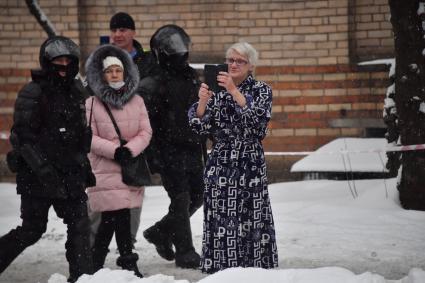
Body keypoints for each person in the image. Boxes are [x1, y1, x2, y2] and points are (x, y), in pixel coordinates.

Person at [0, 36, 94, 283]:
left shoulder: (76, 90)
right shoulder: (33, 91)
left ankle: (82, 277)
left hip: (70, 172)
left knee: (80, 226)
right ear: (47, 62)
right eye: (58, 61)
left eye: (68, 61)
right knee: (32, 230)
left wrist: (83, 165)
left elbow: (78, 131)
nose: (63, 66)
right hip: (37, 176)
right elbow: (22, 139)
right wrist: (45, 171)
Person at [188, 42, 279, 273]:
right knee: (221, 219)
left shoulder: (262, 90)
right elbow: (198, 127)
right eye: (230, 60)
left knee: (251, 217)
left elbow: (258, 125)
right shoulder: (216, 92)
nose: (234, 65)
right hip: (221, 161)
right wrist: (202, 101)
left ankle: (254, 271)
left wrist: (234, 91)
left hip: (250, 161)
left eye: (240, 61)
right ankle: (221, 271)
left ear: (251, 66)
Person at [139, 24, 206, 268]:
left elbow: (196, 109)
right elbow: (143, 122)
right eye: (174, 49)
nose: (180, 53)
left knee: (198, 196)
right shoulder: (152, 82)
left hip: (190, 147)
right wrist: (153, 156)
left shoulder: (189, 75)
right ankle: (185, 252)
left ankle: (159, 231)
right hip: (168, 151)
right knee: (180, 198)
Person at [84, 43, 152, 278]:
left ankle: (99, 264)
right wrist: (115, 151)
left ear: (126, 72)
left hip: (128, 168)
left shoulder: (137, 101)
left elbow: (146, 132)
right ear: (101, 75)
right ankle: (124, 262)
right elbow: (88, 137)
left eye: (118, 70)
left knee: (116, 217)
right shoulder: (92, 103)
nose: (114, 74)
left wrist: (129, 150)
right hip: (105, 168)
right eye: (109, 71)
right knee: (115, 216)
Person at [107, 11, 155, 245]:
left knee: (133, 191)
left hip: (136, 138)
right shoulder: (101, 59)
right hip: (106, 137)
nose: (118, 34)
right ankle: (95, 247)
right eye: (114, 30)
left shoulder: (146, 62)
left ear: (133, 32)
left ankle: (128, 247)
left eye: (123, 29)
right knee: (102, 192)